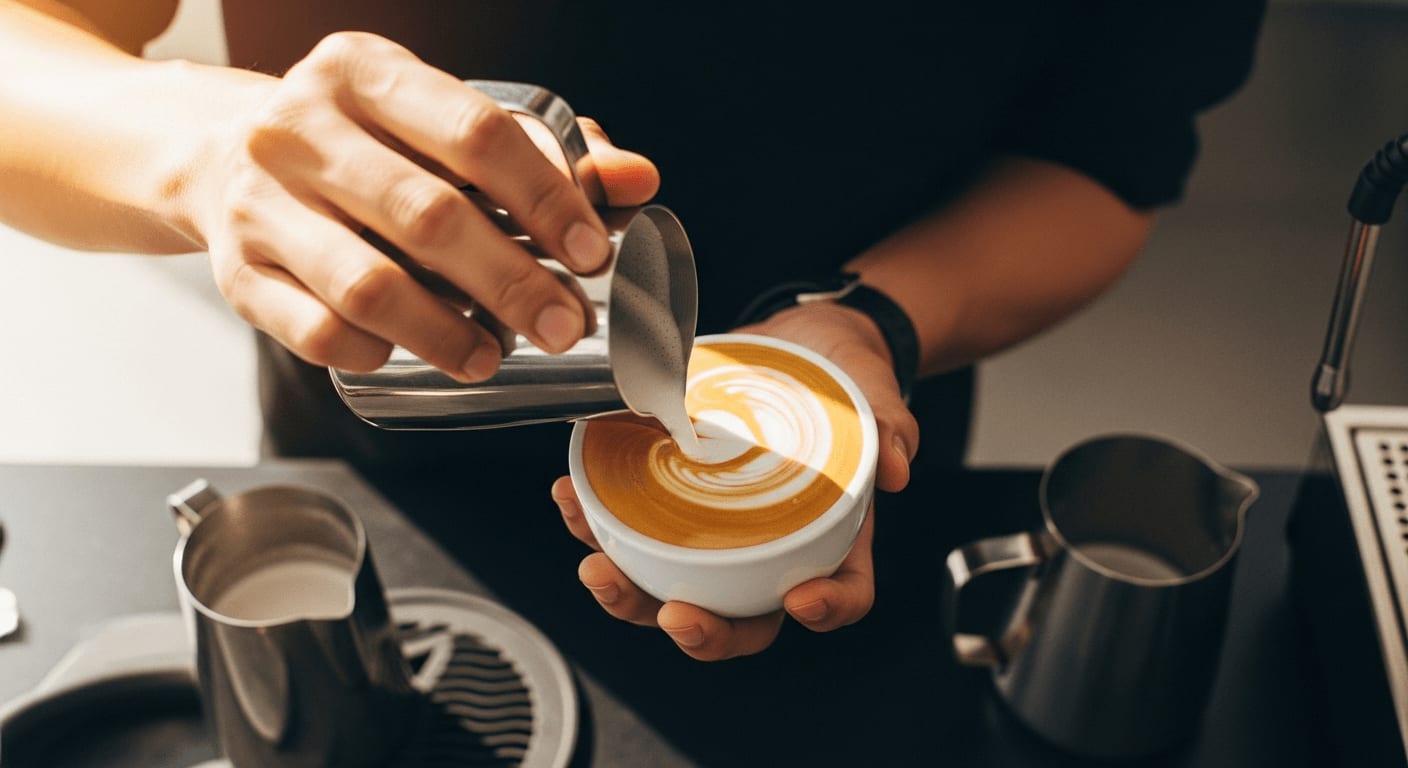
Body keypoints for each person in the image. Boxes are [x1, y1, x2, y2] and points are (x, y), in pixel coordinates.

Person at [0, 0, 1266, 665]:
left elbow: (1108, 157)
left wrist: (876, 316)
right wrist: (207, 150)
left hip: (858, 459)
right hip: (384, 450)